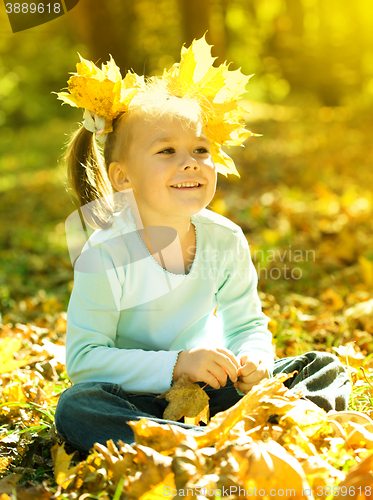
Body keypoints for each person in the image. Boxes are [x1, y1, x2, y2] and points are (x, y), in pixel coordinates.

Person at [54, 37, 351, 455]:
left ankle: (247, 429)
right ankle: (207, 444)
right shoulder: (106, 253)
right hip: (140, 399)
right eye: (167, 151)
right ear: (123, 177)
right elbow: (85, 361)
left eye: (200, 150)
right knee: (77, 407)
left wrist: (254, 361)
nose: (190, 162)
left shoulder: (224, 238)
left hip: (214, 389)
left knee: (322, 366)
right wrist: (177, 364)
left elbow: (246, 323)